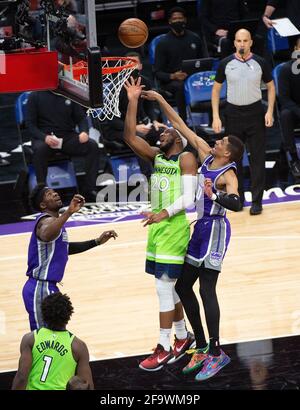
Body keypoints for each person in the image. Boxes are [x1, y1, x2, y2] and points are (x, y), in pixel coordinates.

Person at [141, 88, 244, 381]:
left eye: (222, 141)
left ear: (229, 153)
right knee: (183, 287)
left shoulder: (228, 174)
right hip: (200, 228)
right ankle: (199, 345)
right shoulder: (205, 154)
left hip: (216, 230)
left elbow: (238, 203)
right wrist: (161, 99)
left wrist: (215, 196)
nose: (217, 140)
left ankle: (215, 351)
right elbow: (182, 125)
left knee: (206, 289)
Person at [124, 77, 198, 371]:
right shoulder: (156, 157)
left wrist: (163, 214)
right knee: (171, 288)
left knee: (163, 288)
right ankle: (182, 337)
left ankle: (165, 346)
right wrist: (132, 100)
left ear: (177, 138)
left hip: (173, 227)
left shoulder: (186, 158)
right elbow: (130, 137)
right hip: (157, 228)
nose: (160, 135)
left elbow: (190, 199)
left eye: (166, 132)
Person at [23, 184, 118, 330]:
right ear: (43, 205)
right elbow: (46, 234)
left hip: (49, 286)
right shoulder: (45, 221)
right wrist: (68, 212)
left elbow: (65, 248)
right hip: (39, 287)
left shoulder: (56, 224)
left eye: (54, 192)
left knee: (55, 334)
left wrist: (97, 241)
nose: (55, 194)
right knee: (42, 337)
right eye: (49, 194)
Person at [212, 29, 275, 215]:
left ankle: (257, 202)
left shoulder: (260, 62)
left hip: (255, 113)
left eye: (245, 40)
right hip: (233, 114)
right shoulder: (226, 63)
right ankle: (237, 199)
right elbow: (216, 91)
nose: (241, 44)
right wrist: (216, 116)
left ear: (251, 43)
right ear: (234, 43)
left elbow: (271, 87)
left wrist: (269, 111)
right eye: (238, 40)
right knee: (233, 161)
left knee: (257, 159)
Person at [101, 51, 166, 179]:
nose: (131, 67)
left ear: (140, 66)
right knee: (138, 138)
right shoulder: (115, 87)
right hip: (117, 130)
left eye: (134, 63)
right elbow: (112, 120)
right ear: (123, 67)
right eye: (128, 64)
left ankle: (169, 170)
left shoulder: (145, 82)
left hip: (139, 125)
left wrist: (154, 120)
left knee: (165, 133)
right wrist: (134, 128)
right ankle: (149, 178)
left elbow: (149, 105)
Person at [26, 91, 100, 201]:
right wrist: (44, 137)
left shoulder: (69, 94)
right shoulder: (35, 96)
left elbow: (81, 118)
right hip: (45, 138)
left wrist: (84, 131)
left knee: (92, 146)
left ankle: (89, 189)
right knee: (40, 150)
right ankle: (42, 192)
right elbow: (30, 125)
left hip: (67, 137)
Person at [12, 292, 94, 390]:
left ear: (43, 313)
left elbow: (22, 376)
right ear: (69, 315)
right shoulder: (78, 346)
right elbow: (87, 385)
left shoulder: (30, 339)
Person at [154, 6, 204, 123]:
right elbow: (157, 73)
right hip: (172, 83)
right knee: (180, 86)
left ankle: (214, 120)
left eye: (180, 18)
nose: (178, 21)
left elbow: (203, 62)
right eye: (175, 19)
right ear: (170, 21)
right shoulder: (163, 43)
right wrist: (173, 76)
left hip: (194, 79)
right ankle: (183, 122)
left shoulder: (195, 38)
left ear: (185, 20)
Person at [278, 37, 300, 178]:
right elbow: (284, 99)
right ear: (296, 50)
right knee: (285, 114)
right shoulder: (286, 69)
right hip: (294, 111)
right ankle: (295, 160)